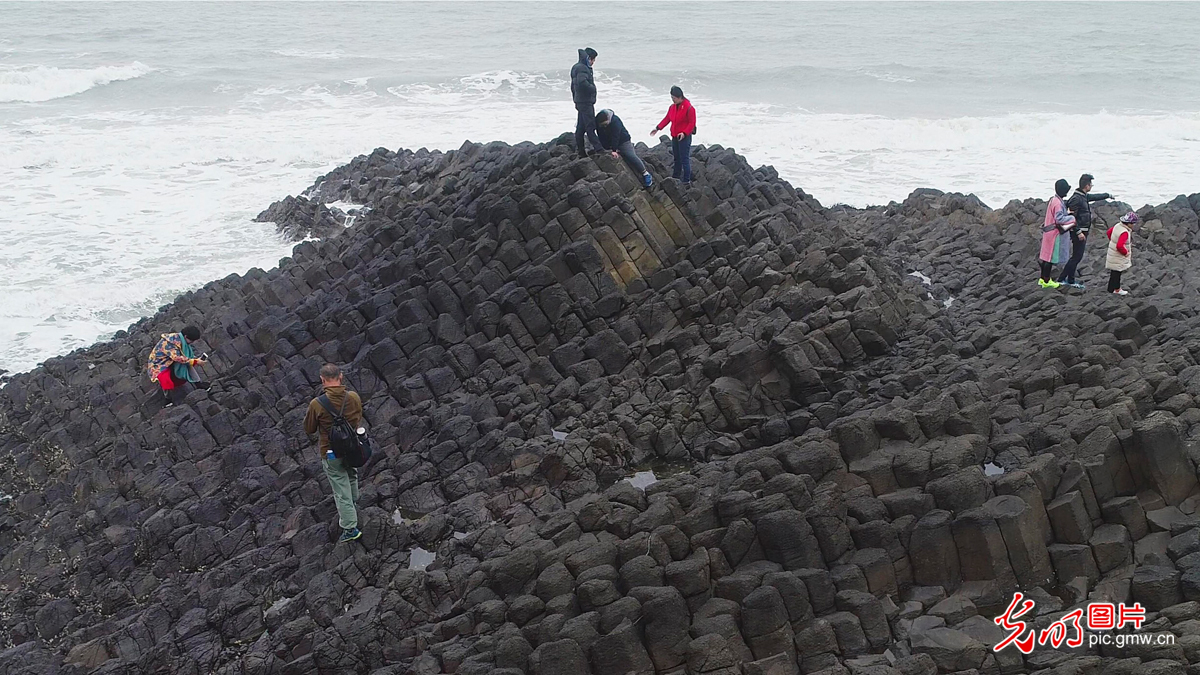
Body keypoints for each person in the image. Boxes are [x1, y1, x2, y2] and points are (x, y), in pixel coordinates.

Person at [304, 364, 364, 543]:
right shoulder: (353, 397)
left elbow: (309, 429)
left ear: (323, 380)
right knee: (351, 474)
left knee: (340, 489)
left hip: (331, 452)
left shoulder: (317, 404)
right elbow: (358, 418)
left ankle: (350, 528)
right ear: (341, 376)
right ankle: (353, 506)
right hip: (352, 447)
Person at [1057, 173, 1114, 288]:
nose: (1092, 186)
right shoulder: (1076, 198)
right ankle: (1062, 279)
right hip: (1079, 232)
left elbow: (1095, 197)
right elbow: (1071, 218)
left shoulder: (1083, 196)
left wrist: (1108, 195)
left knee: (1077, 256)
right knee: (1076, 257)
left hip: (1083, 231)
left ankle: (1070, 280)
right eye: (1091, 184)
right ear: (1087, 186)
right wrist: (1078, 232)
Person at [146, 326, 207, 406]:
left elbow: (183, 357)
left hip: (170, 361)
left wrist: (194, 360)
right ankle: (168, 399)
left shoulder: (178, 338)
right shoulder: (170, 342)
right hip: (158, 365)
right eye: (191, 340)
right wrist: (195, 361)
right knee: (165, 379)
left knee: (188, 364)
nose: (191, 343)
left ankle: (198, 384)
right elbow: (177, 358)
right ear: (185, 337)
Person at [650, 86, 697, 183]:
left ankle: (686, 181)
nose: (673, 100)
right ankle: (676, 177)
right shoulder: (672, 107)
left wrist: (684, 133)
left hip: (684, 137)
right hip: (675, 136)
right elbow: (667, 119)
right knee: (677, 158)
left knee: (684, 159)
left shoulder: (689, 108)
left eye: (674, 98)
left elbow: (691, 123)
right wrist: (657, 128)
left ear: (680, 97)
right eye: (672, 98)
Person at [596, 109, 653, 188]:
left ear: (608, 119)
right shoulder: (598, 121)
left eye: (606, 124)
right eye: (603, 125)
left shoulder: (616, 121)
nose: (604, 126)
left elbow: (616, 136)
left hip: (623, 141)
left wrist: (614, 150)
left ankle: (646, 173)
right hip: (609, 142)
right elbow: (600, 136)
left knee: (631, 156)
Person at [1039, 179, 1076, 288]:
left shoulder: (1053, 200)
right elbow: (1059, 219)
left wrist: (1067, 213)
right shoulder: (1058, 203)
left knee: (1046, 257)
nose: (1067, 192)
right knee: (1050, 258)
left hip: (1048, 232)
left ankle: (1042, 279)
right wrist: (1071, 217)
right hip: (1054, 235)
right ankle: (1046, 281)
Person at [571, 48, 604, 158]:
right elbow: (582, 82)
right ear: (588, 58)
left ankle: (581, 152)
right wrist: (592, 89)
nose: (593, 63)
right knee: (590, 126)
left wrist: (575, 98)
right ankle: (599, 149)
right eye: (593, 60)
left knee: (580, 127)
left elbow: (573, 87)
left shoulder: (576, 67)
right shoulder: (583, 68)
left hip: (579, 101)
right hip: (585, 102)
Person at [1105, 211, 1138, 296]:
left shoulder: (1117, 225)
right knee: (1117, 273)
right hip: (1118, 255)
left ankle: (1110, 289)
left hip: (1112, 253)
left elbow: (1109, 232)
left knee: (1113, 272)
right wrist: (1125, 252)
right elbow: (1119, 246)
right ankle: (1117, 289)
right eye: (1133, 223)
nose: (1133, 225)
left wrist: (1113, 241)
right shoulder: (1124, 232)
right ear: (1129, 223)